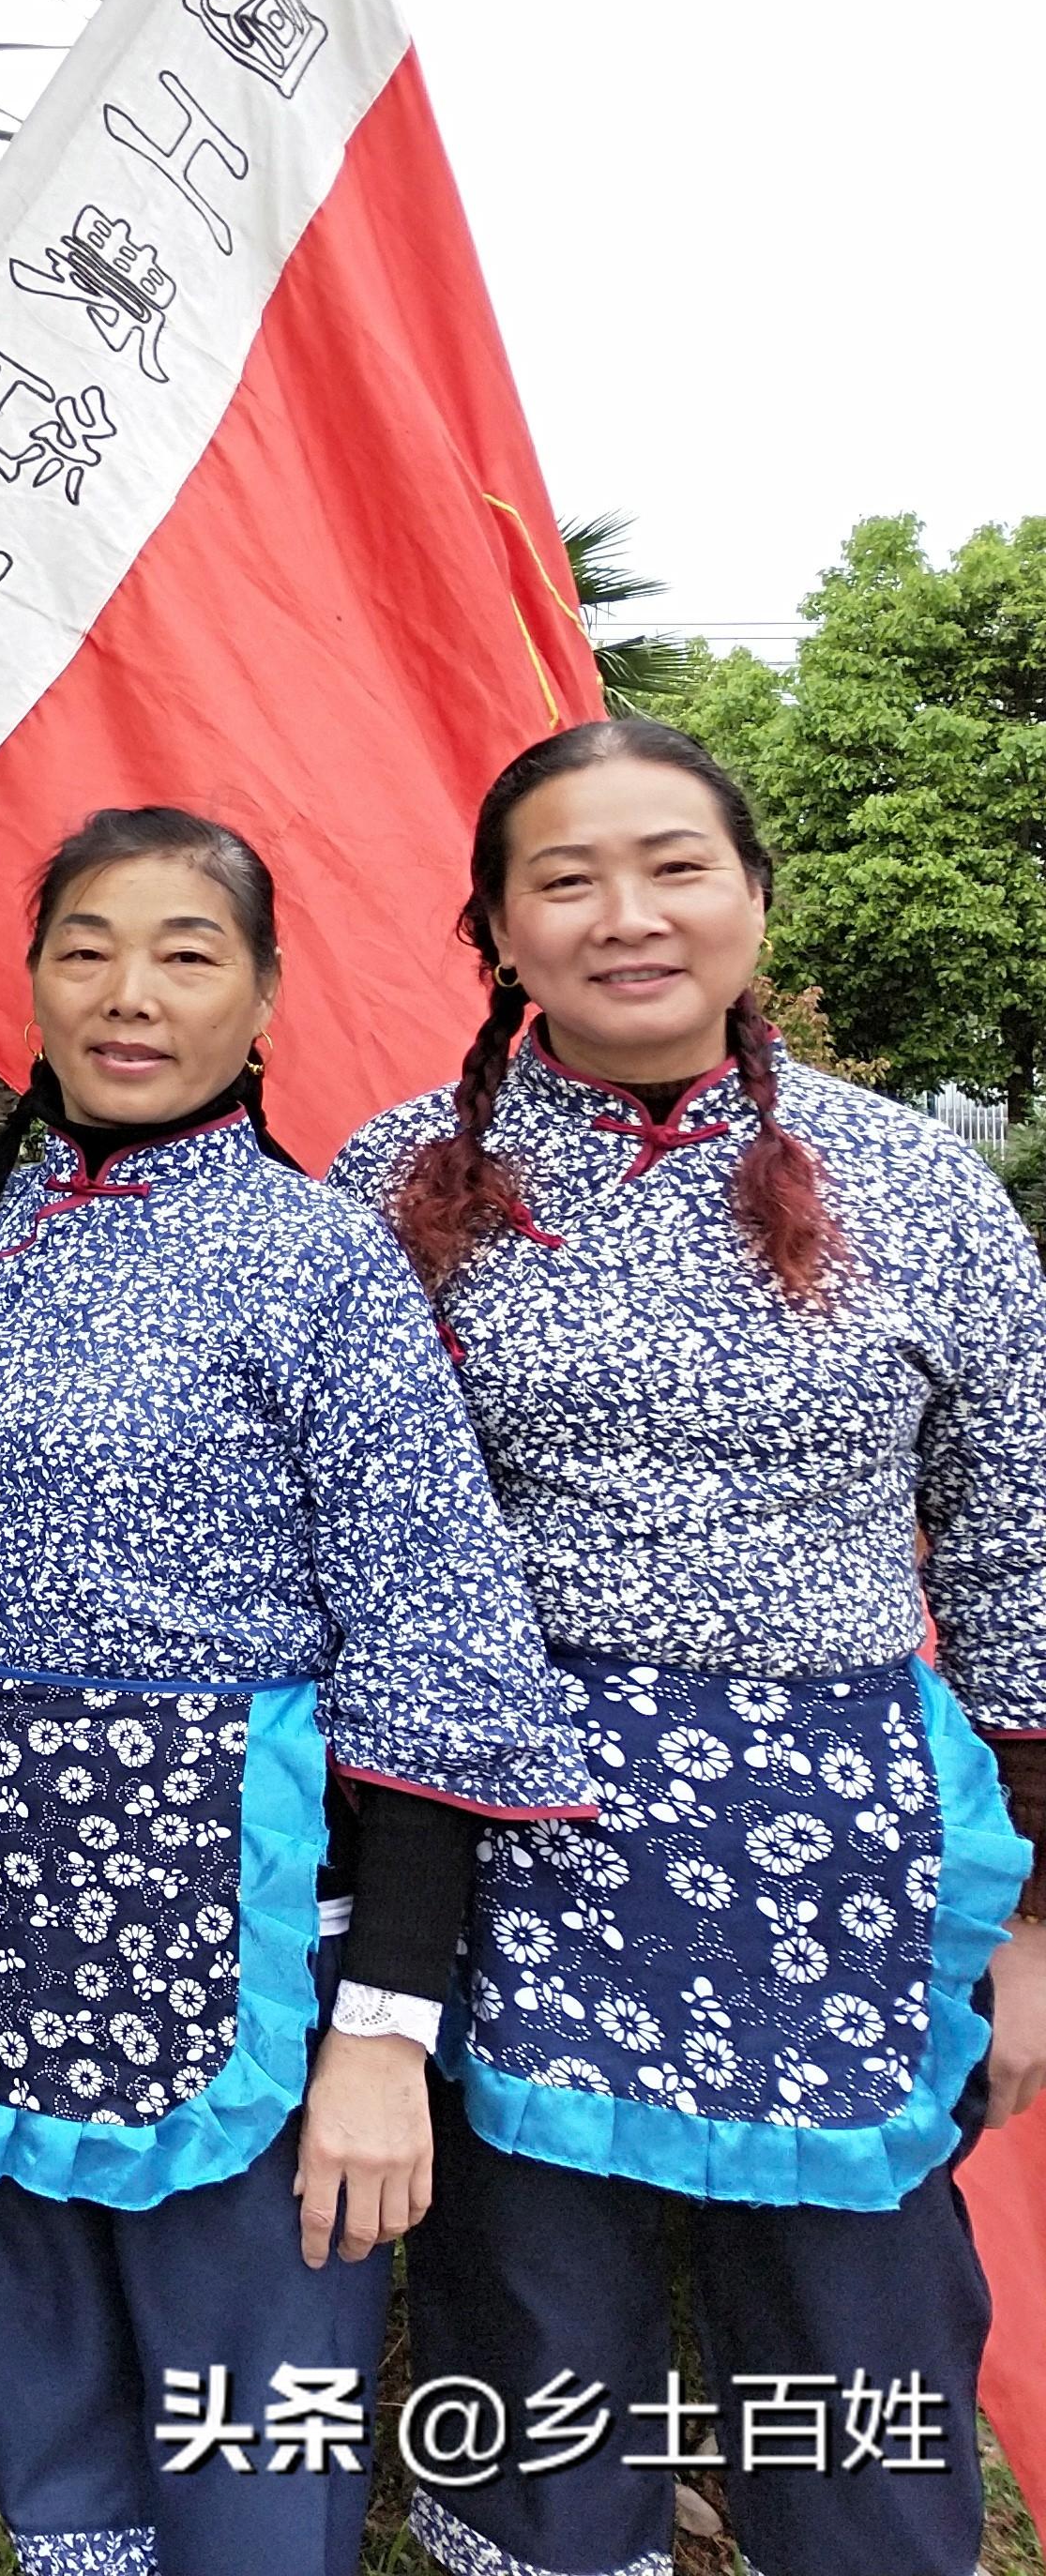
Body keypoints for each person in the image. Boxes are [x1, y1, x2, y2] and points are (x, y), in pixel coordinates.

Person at [0, 806, 591, 2576]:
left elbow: (433, 1653)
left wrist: (384, 2035)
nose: (130, 993)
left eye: (189, 953)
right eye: (87, 945)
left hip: (238, 1940)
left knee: (255, 2445)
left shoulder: (322, 1264)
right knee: (51, 2424)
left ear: (265, 1000)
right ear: (28, 982)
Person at [336, 716, 1046, 2576]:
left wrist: (1042, 1923)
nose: (626, 917)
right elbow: (341, 1544)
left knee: (860, 2371)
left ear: (752, 896)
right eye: (564, 879)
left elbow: (1021, 1556)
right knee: (534, 2359)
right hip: (511, 1861)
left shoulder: (922, 1193)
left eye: (675, 866)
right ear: (498, 927)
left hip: (848, 1876)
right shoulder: (397, 1184)